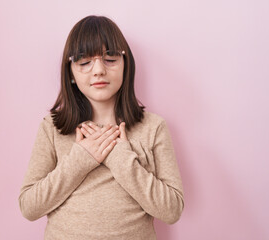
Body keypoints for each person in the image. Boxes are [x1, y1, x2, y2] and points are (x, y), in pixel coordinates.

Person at [18, 15, 184, 240]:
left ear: (126, 65)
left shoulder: (154, 127)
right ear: (71, 73)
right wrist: (81, 159)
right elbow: (29, 206)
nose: (98, 70)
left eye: (110, 59)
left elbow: (172, 210)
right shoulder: (52, 128)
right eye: (85, 62)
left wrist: (121, 159)